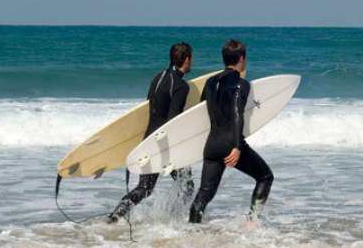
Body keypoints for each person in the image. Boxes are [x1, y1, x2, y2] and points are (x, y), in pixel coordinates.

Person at [107, 42, 195, 223]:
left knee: (144, 188)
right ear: (186, 60)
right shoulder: (181, 86)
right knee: (187, 185)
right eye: (191, 58)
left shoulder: (158, 77)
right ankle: (175, 220)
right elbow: (174, 120)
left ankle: (114, 217)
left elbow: (149, 106)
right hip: (166, 144)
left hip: (148, 141)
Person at [189, 39, 273, 228]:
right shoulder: (241, 84)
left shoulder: (210, 82)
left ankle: (191, 230)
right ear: (241, 59)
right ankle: (252, 223)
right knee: (265, 177)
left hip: (211, 145)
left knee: (204, 194)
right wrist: (236, 147)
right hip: (230, 143)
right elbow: (237, 115)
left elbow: (200, 110)